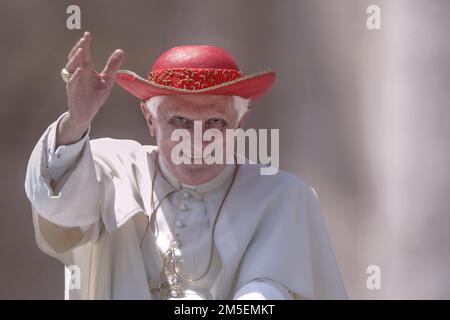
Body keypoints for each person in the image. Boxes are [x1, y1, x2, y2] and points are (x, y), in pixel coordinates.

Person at [24, 32, 347, 300]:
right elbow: (57, 206)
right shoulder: (111, 167)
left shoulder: (281, 195)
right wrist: (76, 124)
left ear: (240, 122)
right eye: (179, 120)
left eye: (216, 122)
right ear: (150, 119)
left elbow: (272, 290)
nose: (196, 139)